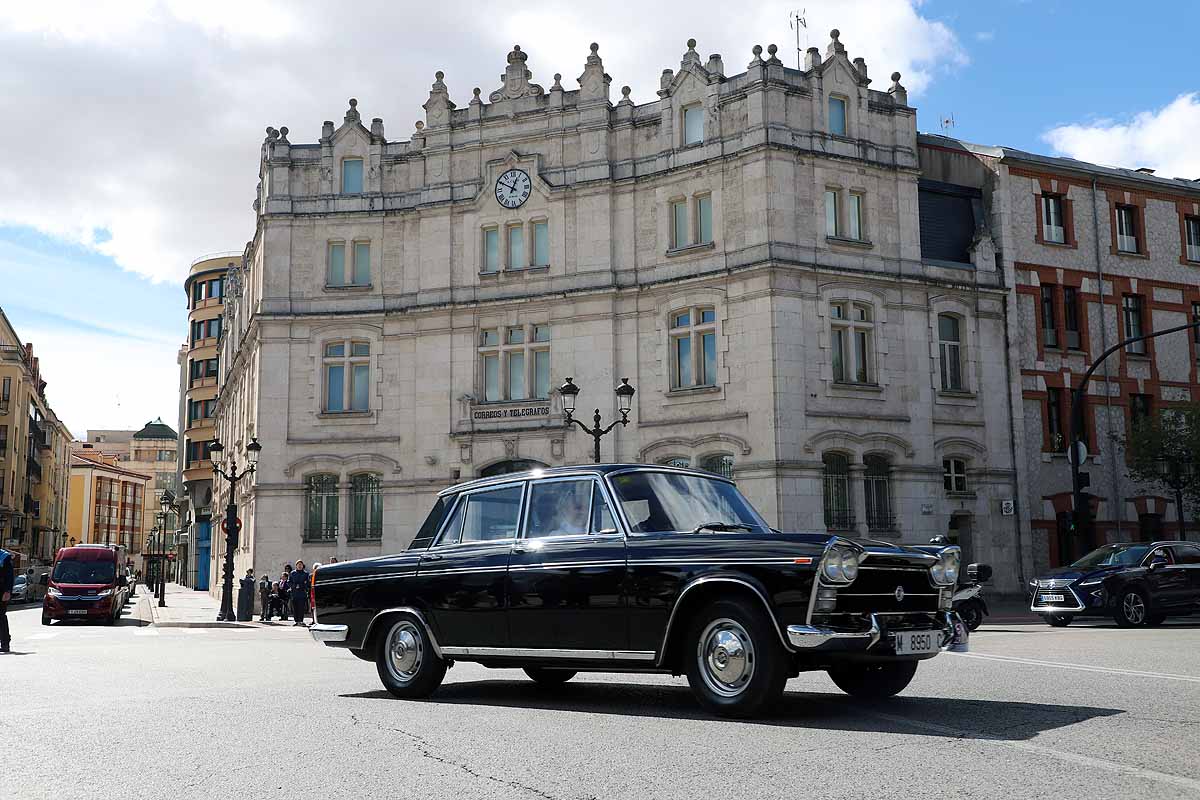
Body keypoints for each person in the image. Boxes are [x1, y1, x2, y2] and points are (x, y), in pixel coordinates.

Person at [287, 560, 310, 627]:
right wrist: (294, 586)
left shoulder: (306, 574)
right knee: (295, 608)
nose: (299, 566)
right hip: (294, 593)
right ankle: (296, 621)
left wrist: (301, 586)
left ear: (303, 566)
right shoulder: (292, 573)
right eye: (298, 564)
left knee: (301, 608)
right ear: (296, 566)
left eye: (301, 564)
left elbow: (307, 583)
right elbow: (289, 582)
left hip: (302, 593)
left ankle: (301, 620)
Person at [0, 547, 14, 653]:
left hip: (1, 591)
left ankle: (5, 643)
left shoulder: (4, 556)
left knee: (1, 617)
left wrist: (7, 591)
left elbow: (9, 576)